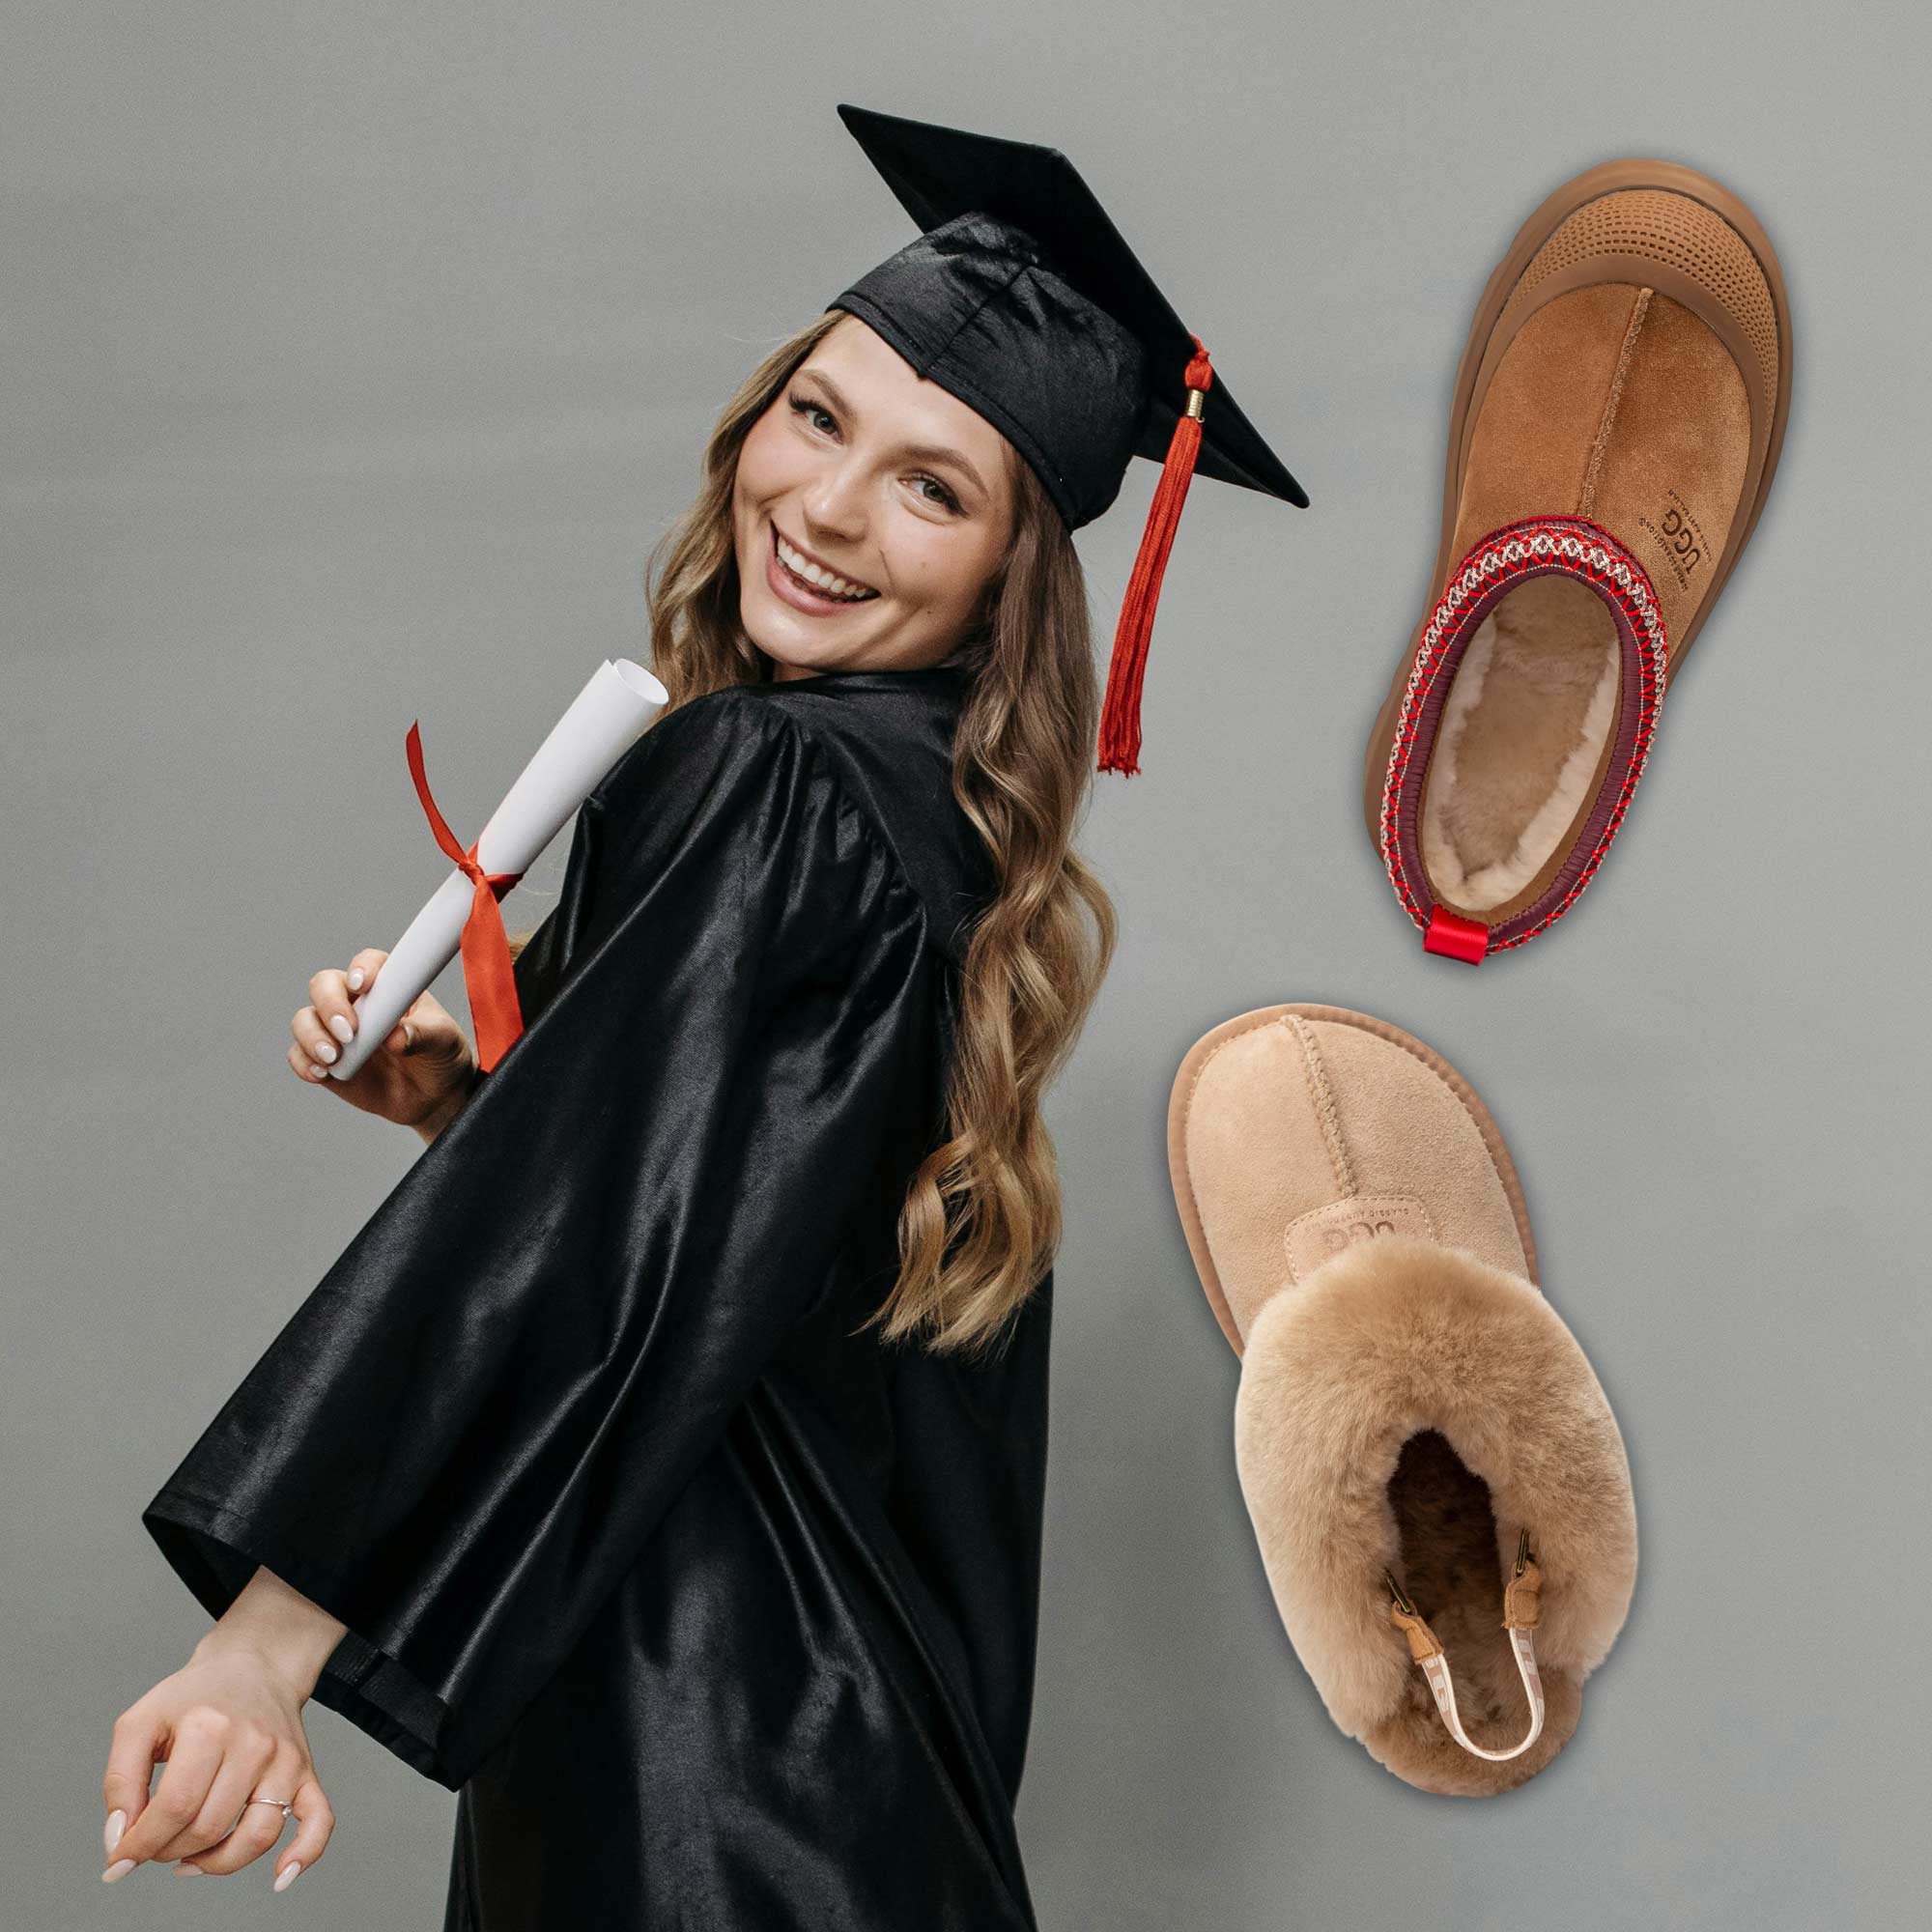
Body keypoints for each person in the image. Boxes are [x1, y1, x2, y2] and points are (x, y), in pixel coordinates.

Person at [101, 104, 1304, 1928]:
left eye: (931, 484)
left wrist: (266, 1652)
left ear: (1008, 581)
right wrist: (486, 1105)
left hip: (700, 1783)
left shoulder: (774, 781)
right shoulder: (940, 840)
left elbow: (583, 1225)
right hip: (854, 1794)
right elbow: (722, 1240)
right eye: (818, 417)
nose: (822, 508)